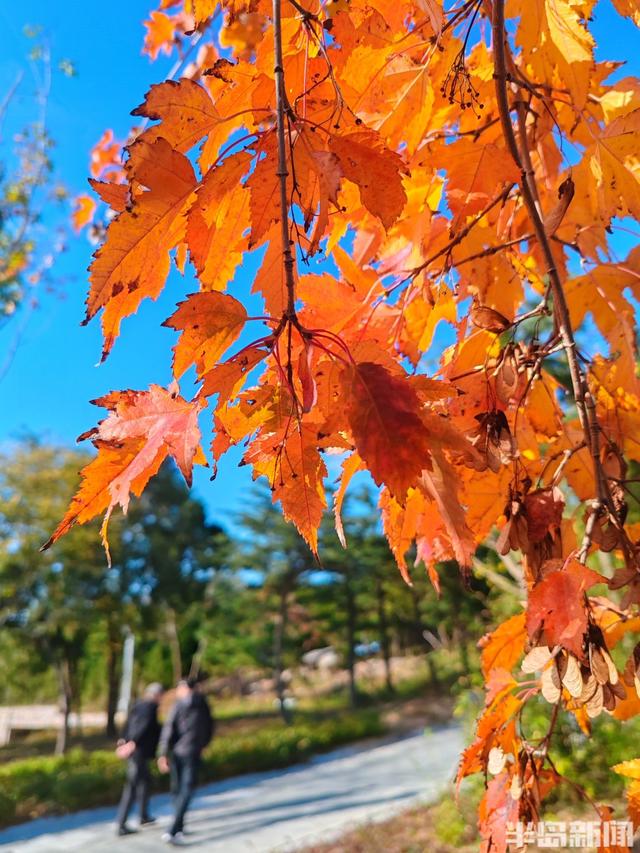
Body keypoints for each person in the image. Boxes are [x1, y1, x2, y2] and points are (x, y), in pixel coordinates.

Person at [158, 677, 214, 845]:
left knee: (180, 790)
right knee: (185, 790)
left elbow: (168, 729)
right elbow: (210, 727)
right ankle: (178, 825)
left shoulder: (179, 705)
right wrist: (204, 744)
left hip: (178, 752)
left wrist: (162, 753)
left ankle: (174, 827)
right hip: (192, 752)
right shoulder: (203, 704)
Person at [115, 682, 164, 836]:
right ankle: (121, 824)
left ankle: (143, 816)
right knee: (132, 786)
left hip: (137, 751)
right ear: (157, 695)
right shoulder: (149, 707)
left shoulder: (138, 704)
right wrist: (132, 742)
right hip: (138, 752)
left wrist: (123, 739)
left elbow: (129, 723)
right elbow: (142, 726)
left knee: (144, 783)